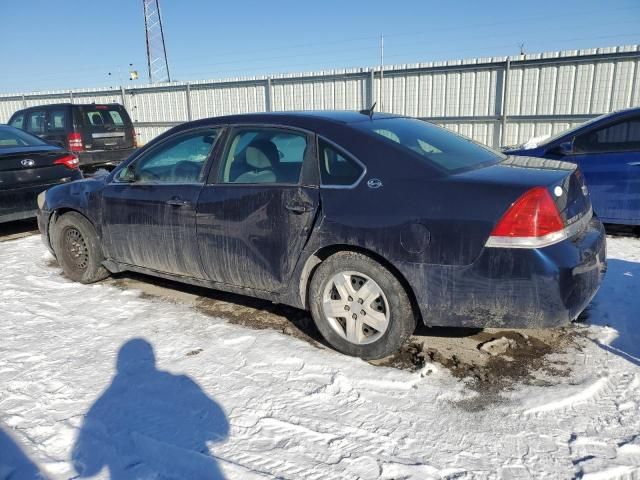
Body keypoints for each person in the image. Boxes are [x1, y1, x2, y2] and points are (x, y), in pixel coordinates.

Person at [72, 338, 229, 479]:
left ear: (121, 366)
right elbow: (220, 430)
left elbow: (86, 466)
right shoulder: (182, 386)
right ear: (150, 360)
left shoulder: (105, 405)